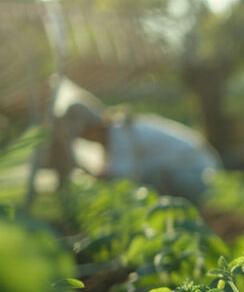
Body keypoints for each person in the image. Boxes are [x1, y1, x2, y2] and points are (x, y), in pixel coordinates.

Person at [49, 78, 221, 203]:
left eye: (83, 134)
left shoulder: (121, 134)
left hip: (198, 175)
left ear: (93, 128)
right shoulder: (118, 131)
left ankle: (186, 211)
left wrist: (88, 174)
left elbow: (122, 176)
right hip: (198, 171)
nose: (84, 140)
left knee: (145, 176)